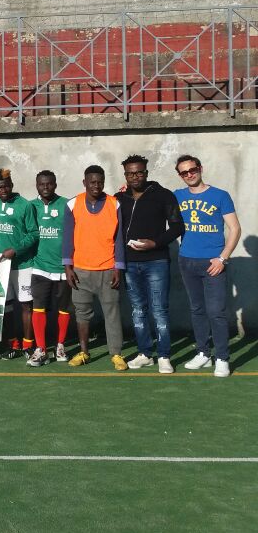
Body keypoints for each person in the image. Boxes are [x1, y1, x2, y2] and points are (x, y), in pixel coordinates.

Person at [116, 155, 185, 374]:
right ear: (125, 175)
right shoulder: (118, 198)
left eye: (139, 172)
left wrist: (155, 243)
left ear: (146, 173)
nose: (135, 177)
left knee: (159, 310)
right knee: (138, 311)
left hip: (156, 261)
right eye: (130, 173)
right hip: (129, 263)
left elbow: (177, 227)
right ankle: (145, 353)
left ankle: (164, 355)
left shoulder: (164, 196)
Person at [174, 154, 241, 378]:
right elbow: (153, 199)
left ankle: (222, 358)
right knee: (197, 310)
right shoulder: (177, 196)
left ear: (200, 168)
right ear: (180, 175)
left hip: (213, 262)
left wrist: (223, 258)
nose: (189, 174)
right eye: (184, 172)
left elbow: (235, 229)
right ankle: (203, 353)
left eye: (192, 169)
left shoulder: (220, 195)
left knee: (216, 312)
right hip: (187, 260)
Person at [62, 166, 127, 370]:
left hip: (107, 269)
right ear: (85, 183)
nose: (96, 185)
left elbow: (119, 239)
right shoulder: (73, 204)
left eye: (100, 181)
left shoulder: (114, 204)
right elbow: (67, 237)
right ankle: (84, 352)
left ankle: (116, 353)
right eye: (92, 182)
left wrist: (119, 267)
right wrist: (68, 266)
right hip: (81, 270)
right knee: (82, 314)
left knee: (112, 313)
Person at [0, 168, 38, 360]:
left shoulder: (24, 205)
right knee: (6, 306)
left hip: (23, 264)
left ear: (12, 185)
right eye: (0, 187)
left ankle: (28, 344)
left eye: (7, 186)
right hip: (1, 265)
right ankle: (12, 342)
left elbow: (33, 233)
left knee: (26, 305)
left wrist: (16, 250)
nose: (4, 190)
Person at [28, 170, 71, 367]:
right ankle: (41, 349)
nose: (45, 188)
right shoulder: (31, 206)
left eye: (49, 184)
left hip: (62, 268)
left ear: (55, 184)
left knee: (63, 309)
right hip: (40, 267)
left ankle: (60, 345)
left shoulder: (66, 204)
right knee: (38, 307)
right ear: (36, 185)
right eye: (41, 184)